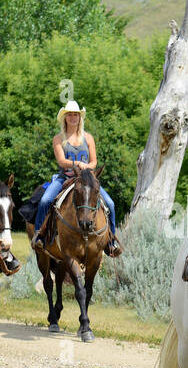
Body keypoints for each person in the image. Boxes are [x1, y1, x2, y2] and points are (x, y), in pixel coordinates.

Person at [32, 100, 122, 257]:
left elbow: (94, 162)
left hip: (86, 180)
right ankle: (40, 236)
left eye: (76, 115)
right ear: (65, 118)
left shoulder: (88, 138)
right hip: (64, 178)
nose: (73, 117)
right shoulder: (58, 138)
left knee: (111, 204)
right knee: (45, 200)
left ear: (80, 118)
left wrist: (85, 168)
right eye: (70, 115)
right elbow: (61, 161)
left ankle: (111, 240)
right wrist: (78, 163)